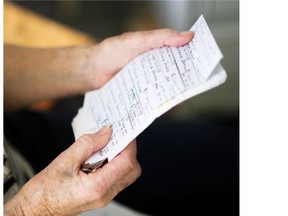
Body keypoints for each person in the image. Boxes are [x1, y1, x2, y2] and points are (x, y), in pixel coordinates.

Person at [3, 29, 194, 215]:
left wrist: (93, 63)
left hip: (29, 139)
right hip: (49, 196)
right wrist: (39, 208)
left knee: (213, 155)